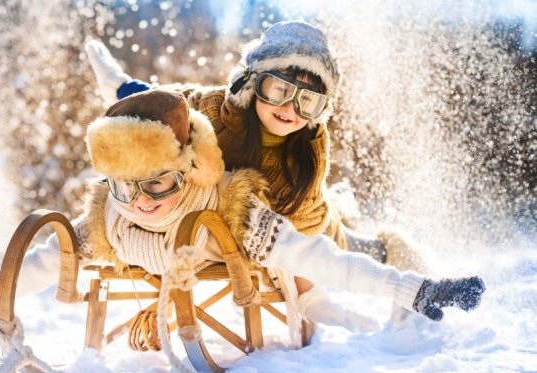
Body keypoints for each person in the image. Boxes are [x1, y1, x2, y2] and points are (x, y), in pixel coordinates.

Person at [0, 89, 485, 336]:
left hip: (243, 255)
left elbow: (319, 256)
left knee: (308, 280)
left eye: (157, 180)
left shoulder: (229, 208)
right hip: (154, 271)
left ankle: (389, 301)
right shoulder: (110, 214)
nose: (144, 200)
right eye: (126, 185)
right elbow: (31, 267)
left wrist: (416, 291)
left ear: (185, 167)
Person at [84, 21, 429, 277]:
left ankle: (394, 252)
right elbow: (164, 107)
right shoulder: (216, 110)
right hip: (219, 216)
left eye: (307, 100)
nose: (290, 108)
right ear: (252, 83)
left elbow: (301, 236)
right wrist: (118, 84)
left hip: (302, 226)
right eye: (278, 90)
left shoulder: (307, 153)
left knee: (351, 245)